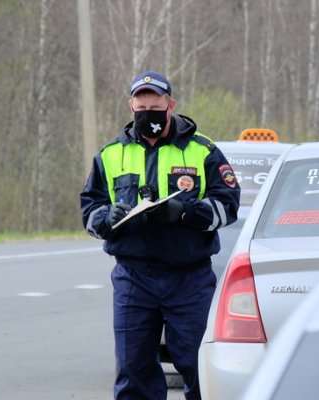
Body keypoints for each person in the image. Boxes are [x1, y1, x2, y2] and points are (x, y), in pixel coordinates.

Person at [80, 70, 240, 400]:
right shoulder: (110, 155)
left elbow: (228, 205)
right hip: (133, 278)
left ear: (171, 105)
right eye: (141, 105)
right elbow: (89, 212)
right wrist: (107, 217)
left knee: (199, 367)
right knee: (133, 369)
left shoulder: (203, 151)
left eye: (155, 103)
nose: (148, 110)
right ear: (131, 106)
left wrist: (185, 211)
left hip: (189, 279)